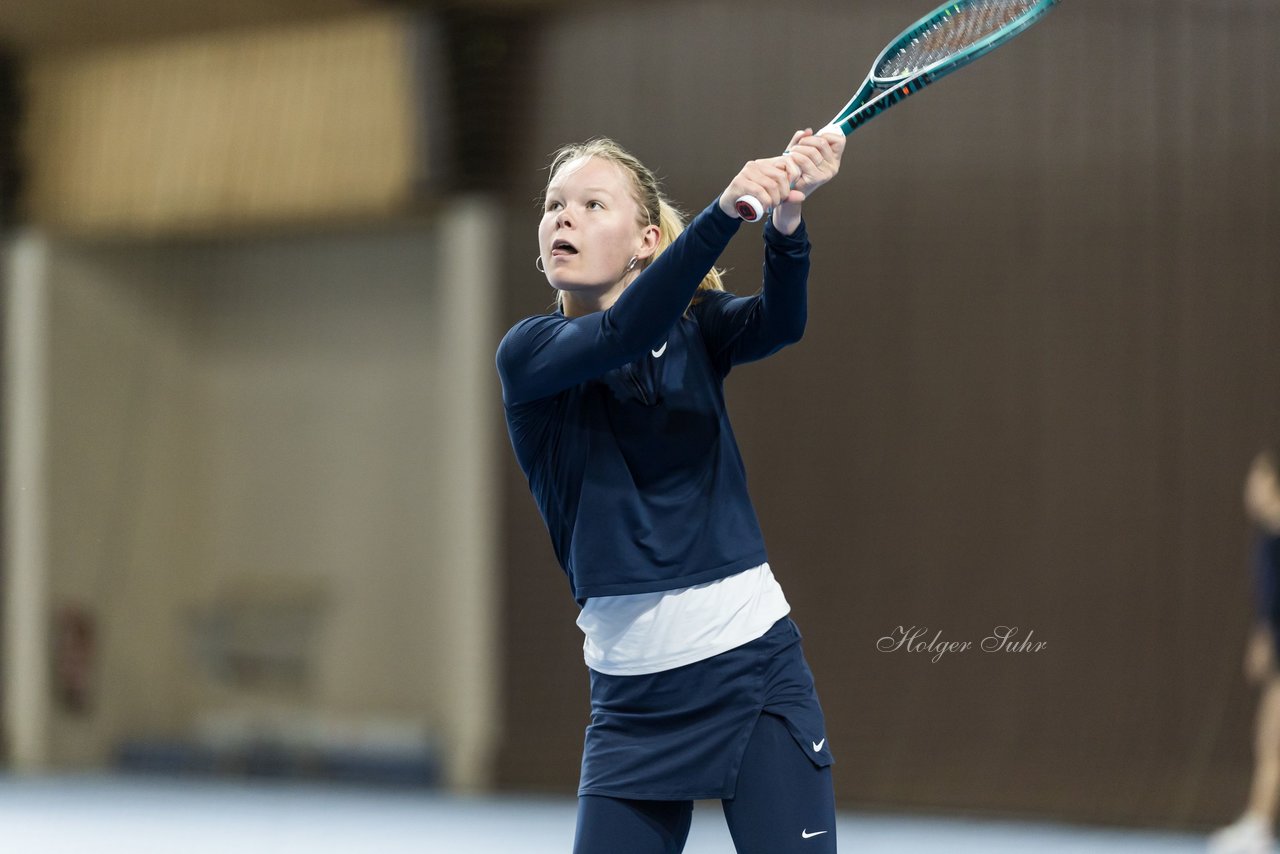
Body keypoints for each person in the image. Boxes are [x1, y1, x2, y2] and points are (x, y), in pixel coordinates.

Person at [495, 129, 845, 854]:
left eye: (593, 204)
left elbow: (782, 323)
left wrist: (784, 221)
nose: (565, 217)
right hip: (631, 706)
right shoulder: (528, 355)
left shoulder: (696, 329)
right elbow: (622, 331)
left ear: (646, 240)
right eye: (555, 205)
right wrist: (724, 213)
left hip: (753, 672)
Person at [1211, 449, 1280, 854]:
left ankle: (1258, 825)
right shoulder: (1265, 535)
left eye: (1257, 479)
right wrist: (1263, 637)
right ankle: (1259, 823)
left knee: (1273, 738)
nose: (1249, 488)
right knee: (1269, 737)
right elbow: (1268, 603)